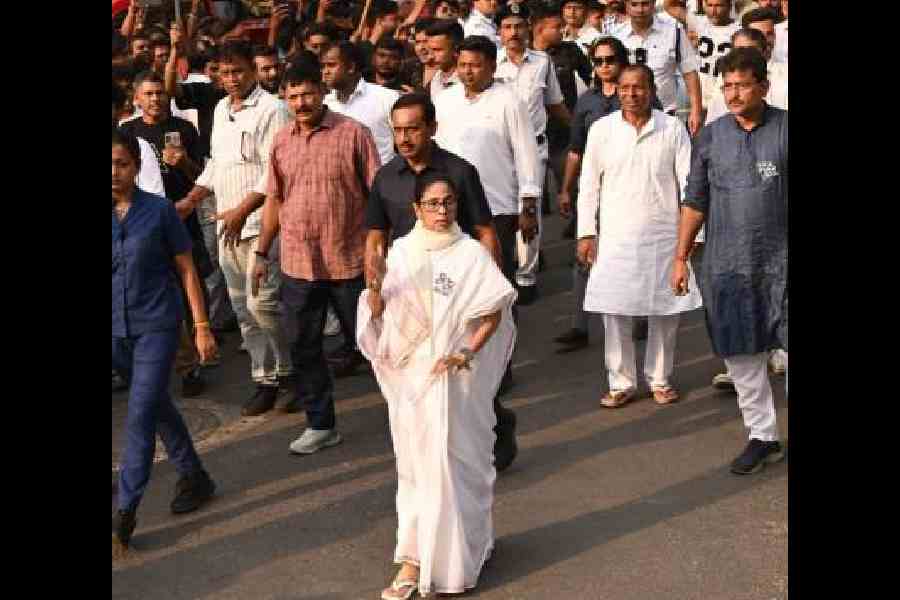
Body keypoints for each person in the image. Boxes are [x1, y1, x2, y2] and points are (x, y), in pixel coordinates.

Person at [357, 173, 517, 599]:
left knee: (460, 466)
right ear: (416, 209)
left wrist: (466, 353)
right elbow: (381, 312)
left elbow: (493, 313)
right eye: (432, 204)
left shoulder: (471, 254)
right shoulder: (402, 254)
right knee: (416, 468)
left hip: (458, 381)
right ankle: (413, 560)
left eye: (448, 202)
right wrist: (373, 298)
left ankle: (468, 549)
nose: (442, 211)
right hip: (414, 381)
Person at [366, 93, 519, 471]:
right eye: (397, 130)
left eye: (412, 129)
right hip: (411, 295)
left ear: (431, 128)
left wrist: (489, 284)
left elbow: (485, 230)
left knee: (467, 379)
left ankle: (492, 431)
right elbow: (375, 235)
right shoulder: (386, 178)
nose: (404, 138)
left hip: (458, 288)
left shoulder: (460, 172)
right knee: (420, 379)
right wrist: (374, 280)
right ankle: (434, 456)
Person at [253, 63, 381, 455]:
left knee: (377, 345)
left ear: (322, 91)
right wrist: (261, 252)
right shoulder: (281, 141)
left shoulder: (353, 134)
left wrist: (380, 253)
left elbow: (376, 196)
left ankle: (410, 414)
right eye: (292, 97)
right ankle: (321, 424)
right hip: (298, 264)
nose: (301, 103)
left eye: (307, 93)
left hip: (349, 260)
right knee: (304, 346)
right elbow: (275, 199)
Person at [672, 47, 787, 475]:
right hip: (728, 266)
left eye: (742, 84)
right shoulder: (712, 136)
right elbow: (694, 201)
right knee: (741, 355)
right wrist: (680, 256)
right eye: (728, 86)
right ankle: (763, 437)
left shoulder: (784, 129)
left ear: (764, 86)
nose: (734, 93)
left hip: (782, 263)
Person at [176, 39, 297, 417]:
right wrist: (190, 200)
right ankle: (265, 379)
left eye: (238, 72)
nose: (230, 79)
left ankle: (290, 373)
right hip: (227, 224)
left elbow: (273, 171)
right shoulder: (220, 109)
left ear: (252, 70)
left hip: (262, 224)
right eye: (224, 73)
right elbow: (215, 164)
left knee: (265, 305)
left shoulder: (273, 109)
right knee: (243, 309)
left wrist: (244, 210)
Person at [112, 129, 218, 549]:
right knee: (156, 405)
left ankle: (126, 507)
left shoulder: (158, 212)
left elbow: (188, 269)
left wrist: (202, 326)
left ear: (137, 167)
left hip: (157, 325)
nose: (113, 173)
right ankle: (195, 475)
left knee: (139, 411)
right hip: (115, 333)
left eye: (121, 164)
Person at [577, 64, 702, 408]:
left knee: (664, 308)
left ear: (652, 91)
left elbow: (689, 184)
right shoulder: (602, 130)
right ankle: (621, 382)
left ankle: (660, 379)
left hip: (663, 234)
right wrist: (587, 232)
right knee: (614, 311)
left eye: (639, 88)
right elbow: (588, 184)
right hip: (615, 235)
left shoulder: (672, 128)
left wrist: (692, 236)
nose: (632, 95)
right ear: (617, 90)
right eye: (625, 88)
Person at [121, 70, 211, 399]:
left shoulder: (184, 129)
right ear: (136, 99)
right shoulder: (127, 133)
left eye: (160, 92)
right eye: (149, 93)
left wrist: (184, 162)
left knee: (181, 287)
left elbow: (202, 175)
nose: (156, 98)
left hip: (176, 219)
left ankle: (191, 362)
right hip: (132, 228)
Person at [555, 36, 632, 352]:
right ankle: (580, 325)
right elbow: (576, 150)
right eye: (597, 61)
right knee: (584, 255)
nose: (604, 67)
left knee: (630, 252)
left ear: (622, 61)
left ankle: (638, 316)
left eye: (610, 60)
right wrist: (565, 189)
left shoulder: (640, 95)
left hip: (631, 189)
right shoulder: (586, 102)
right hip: (594, 190)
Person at [495, 1, 570, 304]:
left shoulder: (542, 62)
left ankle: (526, 277)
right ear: (499, 32)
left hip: (534, 148)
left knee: (530, 211)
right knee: (498, 211)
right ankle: (499, 272)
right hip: (498, 150)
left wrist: (581, 132)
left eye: (518, 26)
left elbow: (554, 104)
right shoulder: (490, 62)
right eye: (507, 27)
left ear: (529, 29)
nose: (513, 33)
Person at [614, 0, 704, 136]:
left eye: (645, 4)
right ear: (626, 5)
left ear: (654, 3)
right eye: (634, 4)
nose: (640, 9)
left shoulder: (674, 31)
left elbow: (690, 72)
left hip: (666, 117)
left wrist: (696, 111)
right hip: (626, 117)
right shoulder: (616, 35)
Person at [323, 42, 400, 166]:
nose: (325, 71)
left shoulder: (387, 98)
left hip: (381, 180)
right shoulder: (325, 104)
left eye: (331, 65)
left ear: (351, 67)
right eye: (324, 66)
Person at [704, 26, 786, 124]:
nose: (744, 57)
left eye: (751, 51)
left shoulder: (784, 80)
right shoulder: (723, 85)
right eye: (739, 51)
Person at [690, 0, 740, 117]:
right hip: (700, 88)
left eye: (719, 6)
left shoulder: (739, 29)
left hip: (722, 88)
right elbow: (670, 6)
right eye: (710, 5)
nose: (713, 11)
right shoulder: (697, 22)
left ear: (729, 6)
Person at [426, 19, 464, 103]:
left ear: (456, 49)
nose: (430, 56)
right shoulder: (435, 80)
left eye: (437, 50)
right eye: (429, 50)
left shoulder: (469, 82)